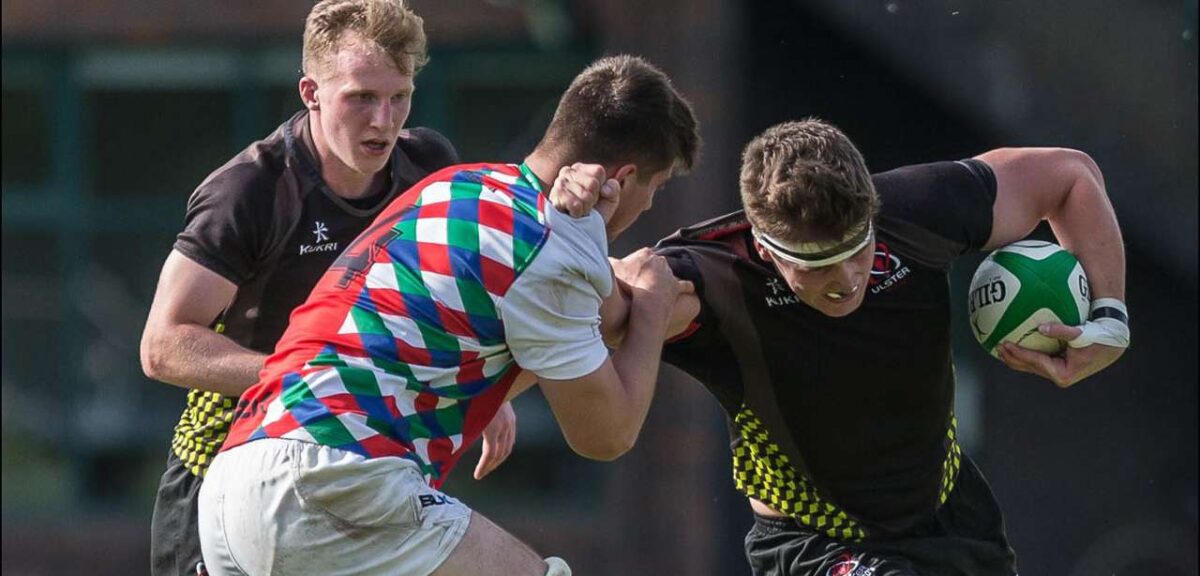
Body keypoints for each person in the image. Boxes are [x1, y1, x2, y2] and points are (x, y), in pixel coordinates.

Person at [195, 54, 701, 576]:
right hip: (331, 478)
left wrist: (623, 296)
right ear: (625, 177)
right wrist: (656, 304)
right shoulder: (546, 253)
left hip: (232, 489)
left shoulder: (456, 187)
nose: (647, 207)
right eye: (655, 189)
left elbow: (559, 329)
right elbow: (605, 434)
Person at [595, 118, 1128, 575]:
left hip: (952, 515)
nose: (847, 278)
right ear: (765, 247)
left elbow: (1070, 176)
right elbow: (607, 310)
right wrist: (575, 233)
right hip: (814, 547)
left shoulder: (914, 210)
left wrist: (1110, 319)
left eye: (859, 249)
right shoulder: (712, 279)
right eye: (817, 265)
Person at [138, 2, 520, 574]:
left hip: (359, 474)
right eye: (361, 98)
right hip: (221, 480)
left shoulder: (427, 166)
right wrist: (311, 376)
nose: (383, 121)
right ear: (311, 92)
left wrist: (477, 382)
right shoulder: (251, 191)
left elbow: (456, 294)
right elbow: (163, 346)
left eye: (399, 97)